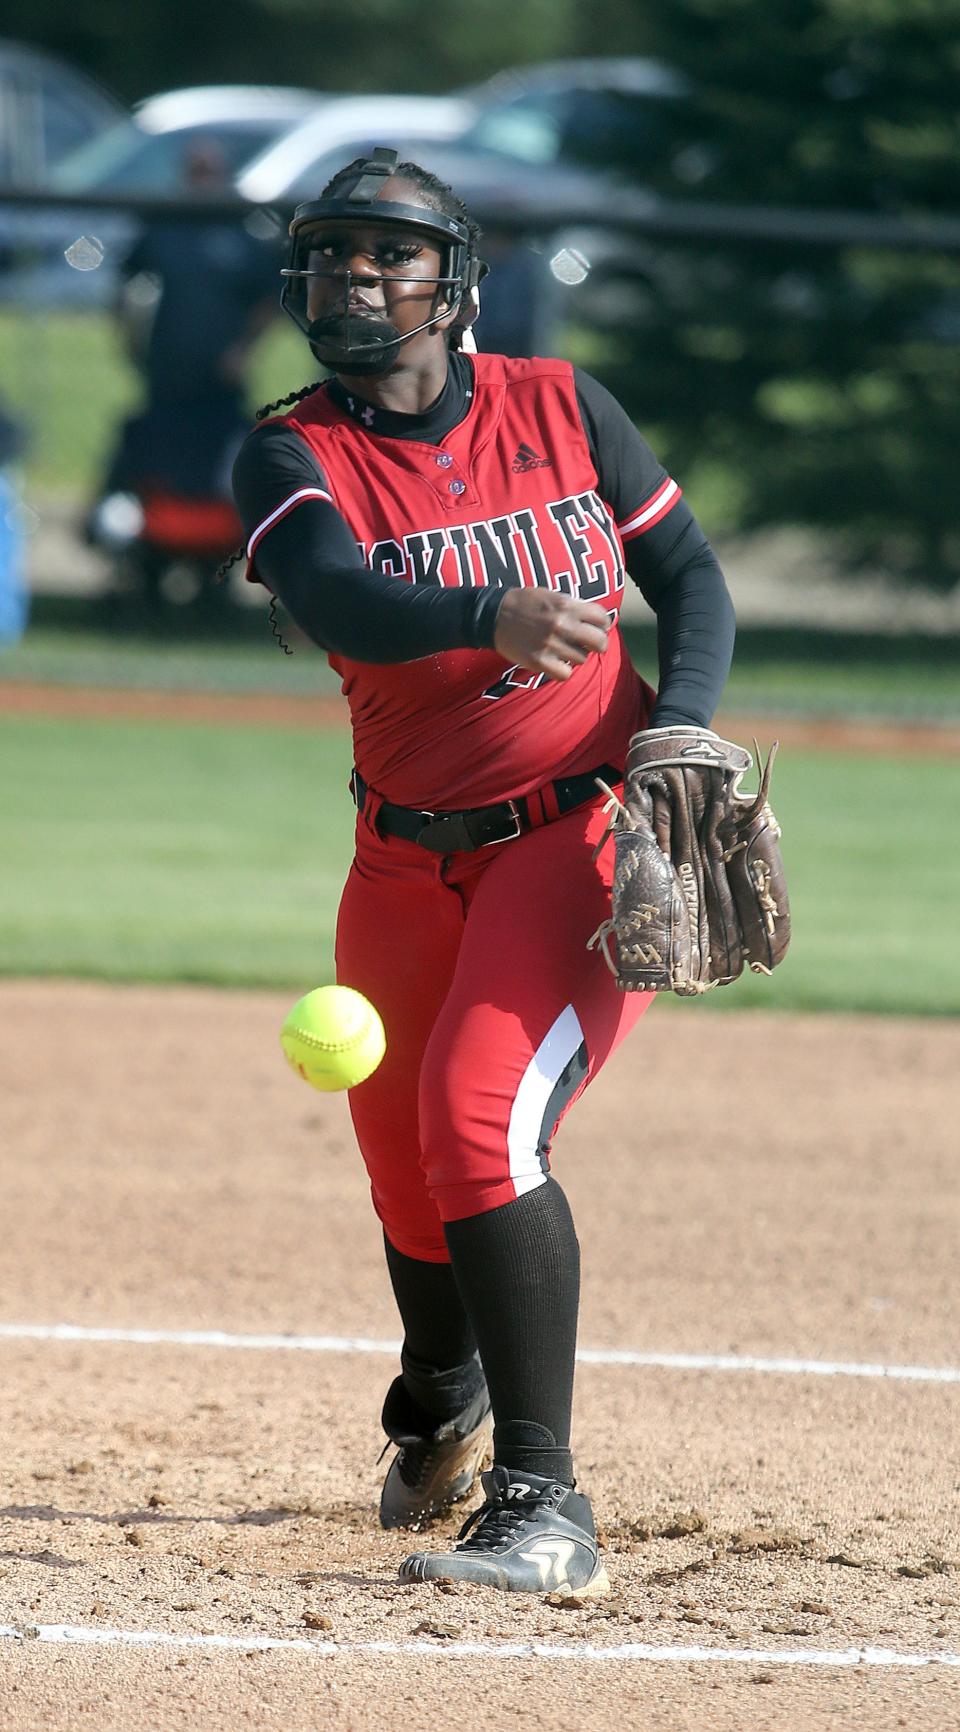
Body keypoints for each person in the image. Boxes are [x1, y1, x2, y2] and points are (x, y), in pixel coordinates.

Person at [229, 147, 735, 1597]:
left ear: (453, 283)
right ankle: (439, 1385)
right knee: (405, 1181)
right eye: (332, 255)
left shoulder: (563, 405)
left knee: (476, 1128)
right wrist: (489, 610)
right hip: (397, 859)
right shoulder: (292, 449)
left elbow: (691, 577)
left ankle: (544, 1502)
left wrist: (681, 724)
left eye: (388, 254)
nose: (356, 278)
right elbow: (336, 593)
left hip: (573, 841)